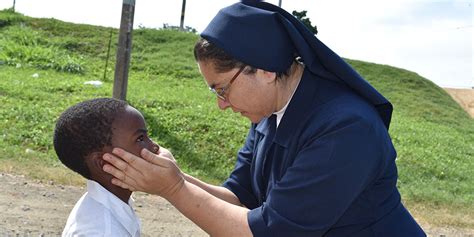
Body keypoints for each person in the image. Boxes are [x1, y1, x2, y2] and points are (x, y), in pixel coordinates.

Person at [101, 1, 426, 236]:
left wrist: (173, 188)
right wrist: (171, 177)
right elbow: (240, 197)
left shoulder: (346, 129)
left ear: (265, 70)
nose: (221, 105)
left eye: (222, 89)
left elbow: (267, 232)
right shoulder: (269, 115)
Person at [53, 98, 161, 237]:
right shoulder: (103, 231)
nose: (154, 146)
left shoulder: (112, 204)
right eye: (140, 139)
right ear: (104, 163)